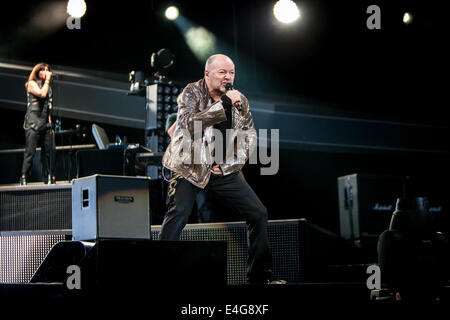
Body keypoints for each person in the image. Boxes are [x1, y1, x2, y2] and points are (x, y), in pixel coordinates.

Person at [160, 54, 283, 284]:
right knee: (179, 214)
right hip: (190, 165)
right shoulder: (191, 93)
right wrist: (222, 106)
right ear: (207, 74)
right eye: (222, 72)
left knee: (258, 213)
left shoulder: (239, 100)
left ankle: (259, 277)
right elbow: (188, 126)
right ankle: (163, 276)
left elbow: (248, 137)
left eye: (232, 73)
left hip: (221, 169)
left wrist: (228, 165)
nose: (228, 77)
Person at [20, 62, 56, 185]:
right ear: (37, 72)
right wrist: (47, 82)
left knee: (50, 150)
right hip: (33, 122)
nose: (46, 72)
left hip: (45, 122)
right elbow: (41, 94)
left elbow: (49, 107)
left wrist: (51, 126)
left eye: (47, 70)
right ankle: (24, 176)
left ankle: (50, 176)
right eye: (43, 70)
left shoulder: (49, 87)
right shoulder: (31, 84)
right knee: (30, 151)